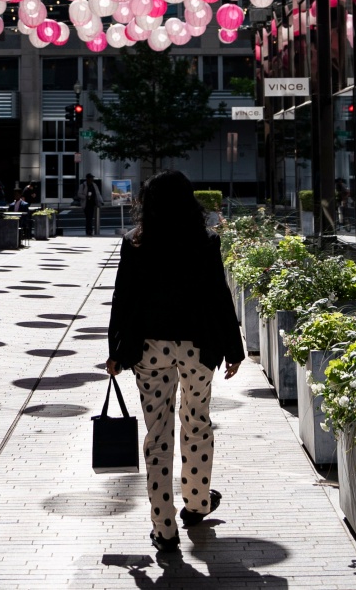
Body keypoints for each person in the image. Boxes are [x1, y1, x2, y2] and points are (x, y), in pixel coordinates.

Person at [105, 170, 245, 555]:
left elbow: (123, 298)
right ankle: (197, 502)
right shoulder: (205, 242)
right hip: (196, 348)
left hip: (149, 349)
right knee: (196, 421)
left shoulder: (135, 243)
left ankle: (164, 528)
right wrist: (234, 348)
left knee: (158, 435)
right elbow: (219, 296)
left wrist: (115, 351)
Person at [81, 172, 104, 236]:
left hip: (92, 203)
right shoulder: (83, 185)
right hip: (86, 204)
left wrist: (101, 201)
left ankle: (89, 230)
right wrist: (85, 197)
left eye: (92, 178)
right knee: (88, 218)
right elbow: (79, 194)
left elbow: (98, 194)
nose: (92, 179)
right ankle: (89, 230)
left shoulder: (94, 185)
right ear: (87, 179)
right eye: (91, 178)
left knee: (90, 218)